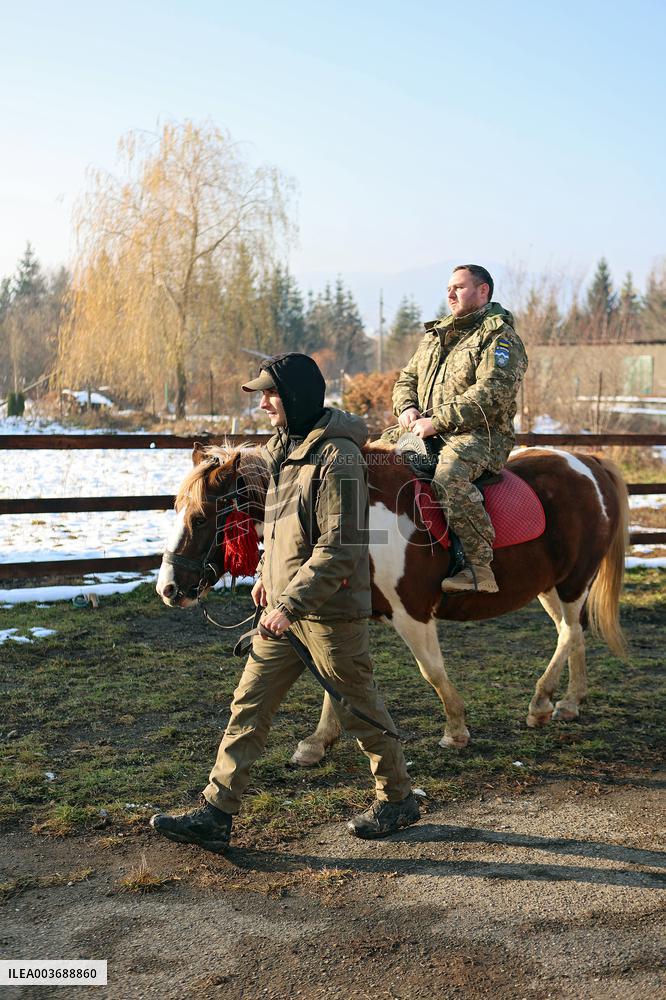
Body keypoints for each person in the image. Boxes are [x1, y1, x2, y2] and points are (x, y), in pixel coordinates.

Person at [151, 353, 419, 854]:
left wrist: (290, 601)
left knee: (360, 711)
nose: (265, 404)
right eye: (261, 395)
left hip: (329, 613)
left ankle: (397, 798)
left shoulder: (338, 458)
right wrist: (265, 574)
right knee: (247, 706)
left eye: (271, 394)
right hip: (282, 611)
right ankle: (216, 812)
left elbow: (342, 543)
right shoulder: (283, 449)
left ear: (295, 396)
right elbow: (280, 528)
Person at [393, 265, 528, 594]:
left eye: (459, 287)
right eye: (448, 288)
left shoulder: (500, 337)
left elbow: (492, 392)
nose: (450, 294)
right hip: (425, 430)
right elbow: (406, 378)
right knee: (371, 459)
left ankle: (477, 567)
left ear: (483, 291)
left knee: (448, 478)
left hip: (480, 435)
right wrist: (407, 407)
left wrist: (437, 421)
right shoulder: (436, 335)